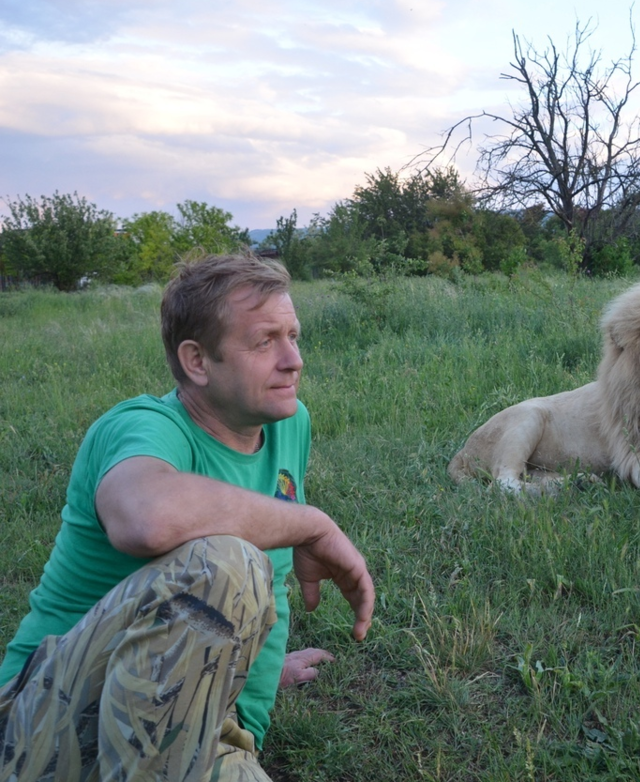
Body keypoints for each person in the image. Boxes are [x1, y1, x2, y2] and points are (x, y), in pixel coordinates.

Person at [0, 253, 374, 781]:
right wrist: (313, 523)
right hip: (39, 729)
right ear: (197, 361)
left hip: (196, 734)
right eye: (265, 341)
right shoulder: (142, 427)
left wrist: (231, 669)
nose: (294, 360)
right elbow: (148, 518)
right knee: (225, 562)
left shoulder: (289, 422)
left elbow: (272, 580)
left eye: (294, 336)